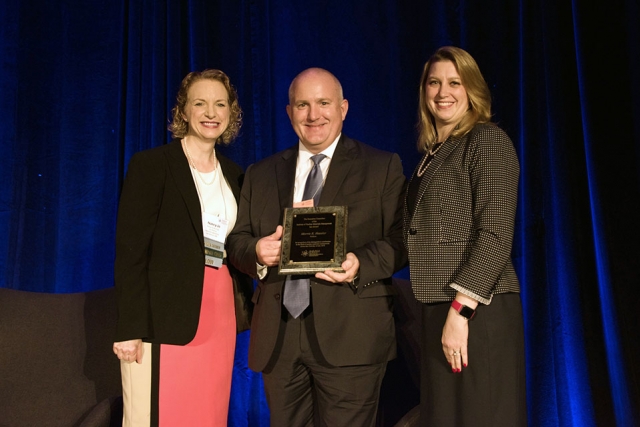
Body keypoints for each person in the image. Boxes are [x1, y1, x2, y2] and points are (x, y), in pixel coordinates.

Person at [227, 67, 407, 426]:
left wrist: (360, 262)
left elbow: (402, 240)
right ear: (289, 111)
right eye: (303, 105)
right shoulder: (261, 173)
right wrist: (257, 253)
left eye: (324, 103)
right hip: (278, 338)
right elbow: (237, 241)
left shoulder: (381, 166)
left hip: (351, 333)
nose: (313, 115)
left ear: (343, 108)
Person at [112, 69, 253, 427]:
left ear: (231, 113)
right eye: (200, 103)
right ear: (184, 112)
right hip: (161, 322)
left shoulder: (237, 175)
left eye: (220, 104)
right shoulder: (152, 165)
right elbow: (131, 253)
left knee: (208, 416)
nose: (211, 113)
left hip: (219, 316)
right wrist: (129, 328)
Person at [403, 46, 527, 426]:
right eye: (434, 82)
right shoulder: (432, 153)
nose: (444, 92)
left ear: (472, 89)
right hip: (438, 307)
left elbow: (494, 235)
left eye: (455, 82)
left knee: (482, 415)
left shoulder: (486, 141)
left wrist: (460, 311)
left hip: (476, 311)